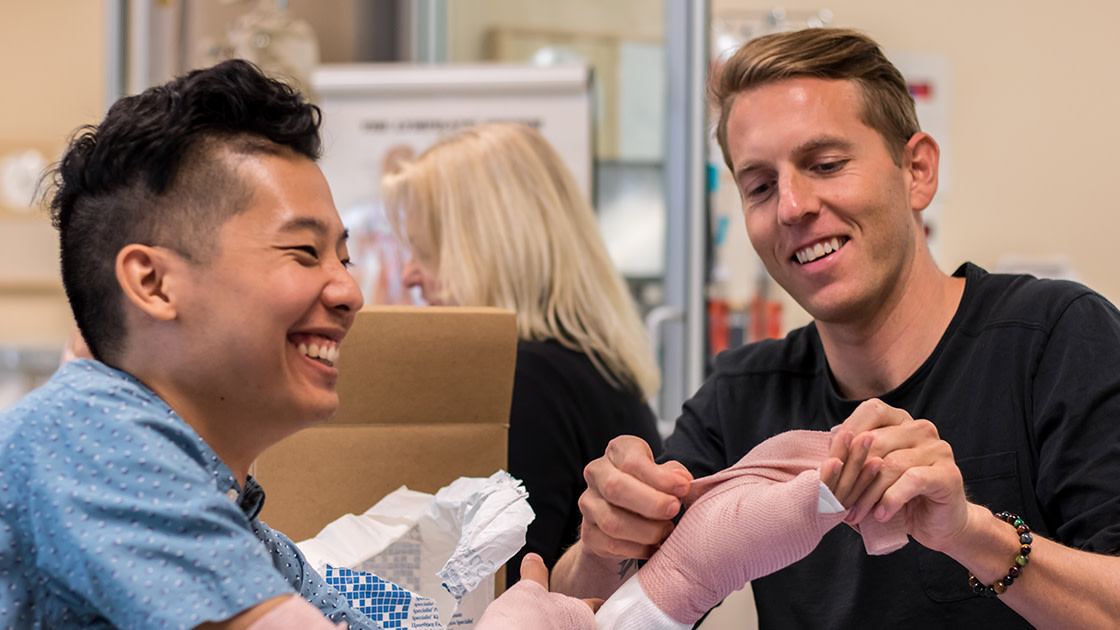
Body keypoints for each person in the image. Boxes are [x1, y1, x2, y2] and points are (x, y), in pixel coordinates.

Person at [551, 27, 1120, 629]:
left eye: (825, 164)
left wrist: (970, 534)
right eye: (760, 186)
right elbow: (604, 608)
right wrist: (603, 541)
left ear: (917, 170)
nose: (792, 206)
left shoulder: (1053, 341)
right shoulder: (742, 394)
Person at [0, 59, 595, 630]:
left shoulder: (241, 527)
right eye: (304, 252)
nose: (349, 292)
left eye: (345, 256)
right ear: (153, 284)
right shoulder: (89, 437)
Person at [381, 122, 663, 586]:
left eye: (425, 252)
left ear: (486, 250)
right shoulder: (592, 367)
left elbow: (503, 587)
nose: (411, 276)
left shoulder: (522, 381)